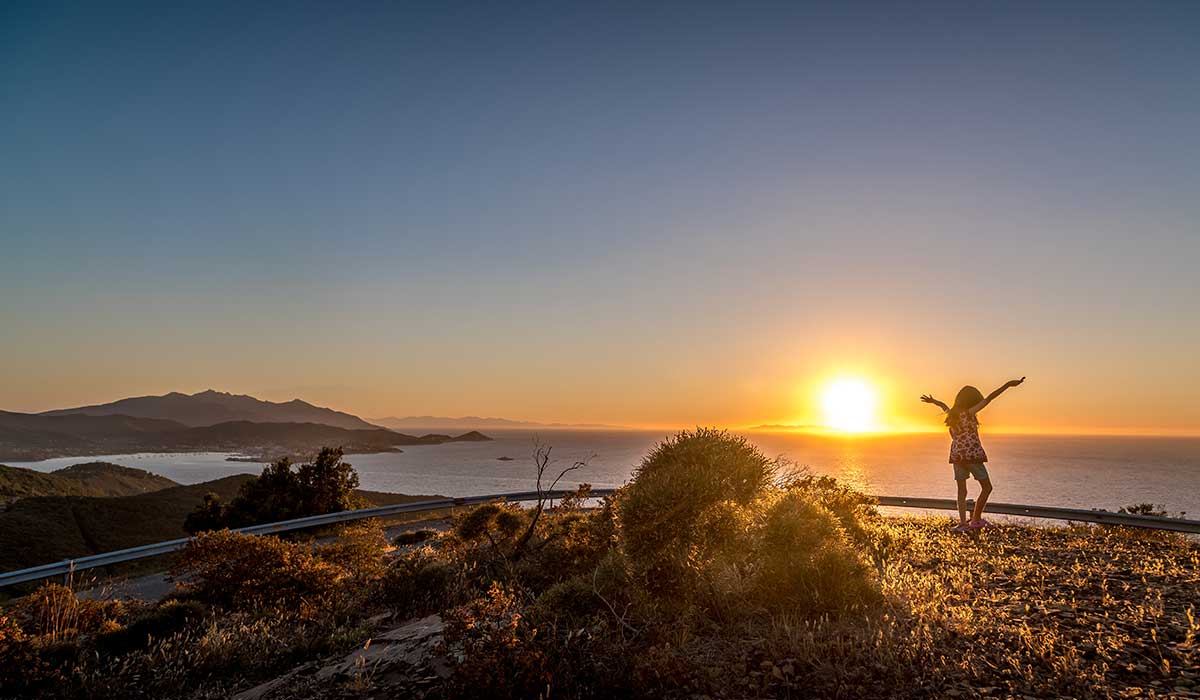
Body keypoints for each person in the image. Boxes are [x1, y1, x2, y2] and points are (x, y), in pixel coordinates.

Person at [921, 377, 1025, 532]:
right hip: (972, 456)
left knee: (961, 491)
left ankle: (962, 524)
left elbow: (943, 406)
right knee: (987, 487)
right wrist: (1008, 385)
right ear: (972, 400)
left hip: (957, 456)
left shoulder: (952, 415)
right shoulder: (969, 413)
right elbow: (990, 398)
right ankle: (976, 519)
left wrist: (933, 401)